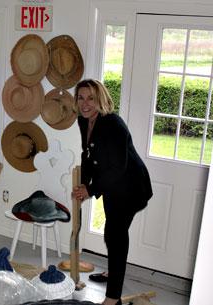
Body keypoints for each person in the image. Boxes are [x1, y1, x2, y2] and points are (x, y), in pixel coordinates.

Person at [72, 79, 153, 305]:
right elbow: (87, 154)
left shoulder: (113, 124)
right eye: (81, 97)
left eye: (91, 98)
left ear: (101, 99)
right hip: (112, 186)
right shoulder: (84, 120)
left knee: (116, 236)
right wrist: (83, 182)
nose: (85, 103)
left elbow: (118, 166)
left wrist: (89, 189)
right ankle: (113, 273)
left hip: (131, 187)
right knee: (112, 233)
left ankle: (113, 298)